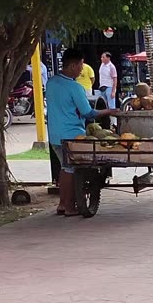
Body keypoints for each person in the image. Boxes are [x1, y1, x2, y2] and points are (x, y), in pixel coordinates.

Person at [47, 48, 120, 216]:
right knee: (71, 169)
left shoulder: (51, 83)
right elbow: (88, 112)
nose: (82, 69)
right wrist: (109, 111)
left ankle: (62, 205)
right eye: (80, 65)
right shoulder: (75, 87)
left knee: (65, 168)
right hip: (72, 135)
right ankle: (70, 207)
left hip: (55, 135)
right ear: (72, 65)